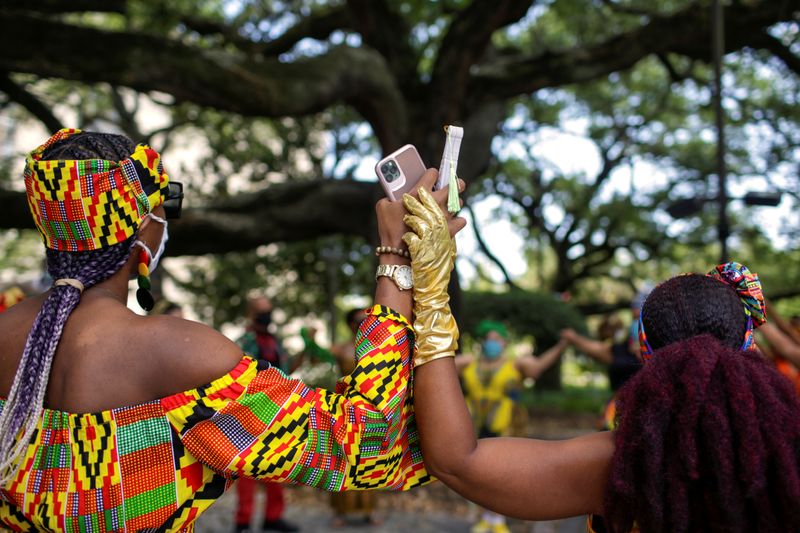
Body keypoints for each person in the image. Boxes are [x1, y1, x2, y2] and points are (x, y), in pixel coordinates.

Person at [0, 129, 465, 532]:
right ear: (144, 226)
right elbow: (367, 444)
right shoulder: (178, 355)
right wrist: (397, 258)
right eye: (168, 207)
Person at [400, 189, 800, 533]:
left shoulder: (623, 464)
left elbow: (457, 461)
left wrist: (432, 288)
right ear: (750, 342)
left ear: (646, 351)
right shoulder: (789, 448)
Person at [455, 321, 568, 533]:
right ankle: (484, 517)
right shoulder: (469, 362)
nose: (492, 343)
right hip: (473, 426)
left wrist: (561, 347)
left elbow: (539, 366)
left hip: (504, 426)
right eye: (488, 338)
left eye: (497, 339)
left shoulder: (516, 365)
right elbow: (440, 365)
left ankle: (497, 519)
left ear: (505, 342)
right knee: (476, 473)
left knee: (501, 472)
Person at [233, 296, 298, 532]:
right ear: (251, 313)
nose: (267, 316)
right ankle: (243, 520)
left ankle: (273, 516)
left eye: (269, 311)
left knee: (277, 462)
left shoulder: (275, 341)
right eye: (262, 311)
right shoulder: (244, 341)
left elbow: (285, 370)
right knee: (248, 468)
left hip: (276, 410)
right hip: (250, 411)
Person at [559, 288, 650, 429]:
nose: (636, 324)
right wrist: (573, 338)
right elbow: (601, 350)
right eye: (634, 318)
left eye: (639, 319)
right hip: (616, 417)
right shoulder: (624, 347)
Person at [327, 307, 380, 528]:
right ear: (350, 324)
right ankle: (339, 511)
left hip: (370, 409)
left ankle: (369, 510)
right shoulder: (340, 349)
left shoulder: (377, 349)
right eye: (359, 320)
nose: (363, 323)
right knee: (342, 460)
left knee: (369, 459)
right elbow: (313, 355)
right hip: (344, 409)